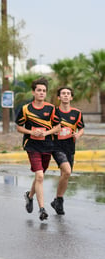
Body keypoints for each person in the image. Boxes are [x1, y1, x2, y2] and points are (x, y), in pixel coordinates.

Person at [15, 77, 61, 221]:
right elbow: (18, 127)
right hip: (32, 146)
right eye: (39, 90)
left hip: (47, 145)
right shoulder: (25, 109)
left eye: (44, 91)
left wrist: (46, 133)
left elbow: (58, 127)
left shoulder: (51, 108)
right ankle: (42, 209)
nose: (41, 93)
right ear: (33, 92)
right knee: (40, 176)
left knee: (39, 176)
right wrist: (31, 132)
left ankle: (29, 196)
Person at [51, 86, 84, 215]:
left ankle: (57, 201)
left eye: (68, 93)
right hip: (56, 146)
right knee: (67, 171)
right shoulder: (53, 112)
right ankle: (59, 200)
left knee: (65, 175)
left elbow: (81, 128)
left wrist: (78, 135)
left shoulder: (77, 113)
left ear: (71, 97)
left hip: (70, 147)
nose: (65, 95)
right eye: (63, 93)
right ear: (59, 97)